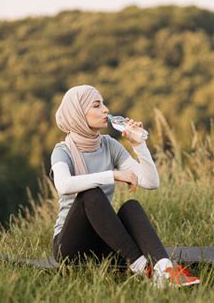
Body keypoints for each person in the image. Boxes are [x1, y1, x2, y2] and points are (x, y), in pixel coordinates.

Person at [50, 85, 200, 287]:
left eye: (103, 103)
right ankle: (144, 269)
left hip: (105, 239)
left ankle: (164, 269)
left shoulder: (109, 145)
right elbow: (63, 185)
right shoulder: (62, 151)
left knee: (131, 206)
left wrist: (139, 144)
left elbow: (151, 182)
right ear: (78, 114)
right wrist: (112, 175)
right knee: (91, 194)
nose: (106, 109)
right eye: (97, 105)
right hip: (70, 247)